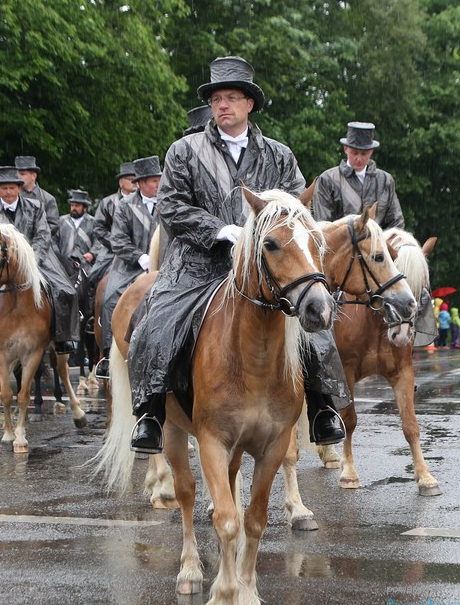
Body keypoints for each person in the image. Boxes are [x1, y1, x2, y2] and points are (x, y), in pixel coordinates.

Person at [127, 56, 347, 454]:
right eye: (216, 99)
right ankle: (150, 413)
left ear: (249, 104)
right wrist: (219, 230)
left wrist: (263, 236)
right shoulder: (184, 150)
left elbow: (297, 209)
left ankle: (322, 406)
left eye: (231, 97)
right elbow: (171, 205)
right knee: (156, 317)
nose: (222, 104)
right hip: (199, 262)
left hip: (266, 266)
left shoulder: (279, 155)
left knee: (315, 317)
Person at [0, 166, 78, 360]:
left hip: (35, 258)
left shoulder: (35, 206)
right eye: (4, 188)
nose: (8, 192)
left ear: (19, 188)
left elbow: (43, 235)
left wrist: (30, 260)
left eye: (12, 188)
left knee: (66, 290)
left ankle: (62, 338)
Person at [99, 157, 161, 356]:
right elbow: (117, 240)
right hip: (129, 265)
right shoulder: (125, 206)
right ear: (141, 183)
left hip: (163, 262)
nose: (158, 184)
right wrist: (140, 257)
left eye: (159, 179)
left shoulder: (169, 203)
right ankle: (108, 354)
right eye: (153, 180)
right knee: (109, 298)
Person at [312, 122, 404, 229]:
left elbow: (396, 223)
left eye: (364, 154)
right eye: (354, 153)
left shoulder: (385, 180)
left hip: (379, 243)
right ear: (345, 149)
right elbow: (323, 224)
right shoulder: (327, 180)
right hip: (342, 244)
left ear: (371, 152)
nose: (359, 159)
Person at [89, 161, 140, 285]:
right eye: (130, 179)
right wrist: (115, 242)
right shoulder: (107, 203)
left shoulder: (146, 201)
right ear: (121, 181)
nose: (134, 183)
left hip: (140, 250)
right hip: (111, 252)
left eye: (136, 179)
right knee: (93, 278)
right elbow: (98, 228)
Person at [14, 155, 61, 237]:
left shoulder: (48, 199)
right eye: (17, 174)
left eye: (22, 174)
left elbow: (53, 225)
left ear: (33, 176)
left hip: (41, 246)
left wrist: (37, 237)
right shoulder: (12, 197)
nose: (19, 177)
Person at [56, 189, 96, 279]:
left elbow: (99, 242)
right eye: (72, 205)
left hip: (86, 264)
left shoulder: (93, 223)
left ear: (84, 207)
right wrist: (58, 256)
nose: (74, 208)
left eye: (77, 206)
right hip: (63, 263)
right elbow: (53, 240)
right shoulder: (61, 221)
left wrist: (92, 254)